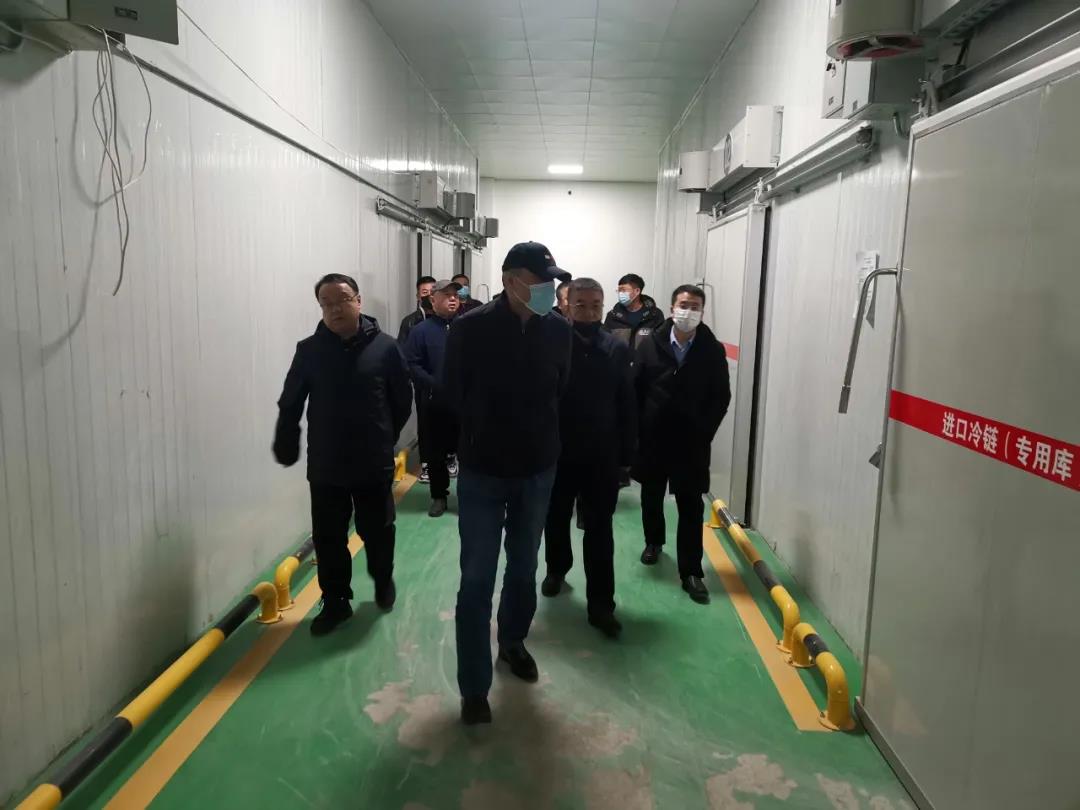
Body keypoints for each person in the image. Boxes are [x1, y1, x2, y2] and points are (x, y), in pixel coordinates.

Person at [444, 241, 572, 725]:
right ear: (510, 280)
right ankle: (474, 686)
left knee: (523, 567)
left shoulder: (557, 330)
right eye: (540, 282)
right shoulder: (470, 328)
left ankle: (513, 642)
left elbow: (560, 389)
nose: (548, 291)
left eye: (551, 283)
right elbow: (452, 392)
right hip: (483, 471)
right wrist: (487, 430)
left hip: (537, 469)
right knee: (477, 576)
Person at [274, 274, 413, 635]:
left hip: (372, 459)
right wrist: (286, 437)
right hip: (327, 461)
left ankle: (382, 577)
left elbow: (402, 398)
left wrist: (385, 436)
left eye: (342, 300)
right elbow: (291, 399)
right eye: (327, 303)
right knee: (328, 535)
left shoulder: (386, 348)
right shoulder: (310, 350)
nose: (335, 309)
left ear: (358, 301)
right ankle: (336, 601)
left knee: (377, 529)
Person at [542, 278, 635, 638]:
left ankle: (601, 605)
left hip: (601, 456)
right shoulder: (552, 344)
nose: (589, 311)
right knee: (555, 517)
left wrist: (625, 457)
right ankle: (556, 569)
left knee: (599, 530)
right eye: (580, 304)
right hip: (557, 452)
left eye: (596, 304)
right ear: (566, 305)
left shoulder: (616, 348)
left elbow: (626, 403)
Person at [633, 285, 730, 605]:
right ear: (673, 307)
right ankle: (653, 542)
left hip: (692, 442)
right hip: (654, 438)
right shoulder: (651, 345)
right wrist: (639, 428)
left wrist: (704, 431)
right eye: (684, 304)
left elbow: (721, 396)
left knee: (691, 505)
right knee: (651, 494)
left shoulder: (711, 349)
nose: (688, 311)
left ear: (702, 311)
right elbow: (636, 389)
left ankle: (691, 571)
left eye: (695, 306)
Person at [405, 280, 461, 518]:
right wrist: (434, 384)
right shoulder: (420, 331)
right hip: (433, 403)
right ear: (433, 300)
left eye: (455, 295)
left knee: (467, 451)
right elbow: (412, 364)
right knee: (436, 453)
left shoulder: (467, 328)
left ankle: (467, 496)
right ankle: (439, 496)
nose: (452, 298)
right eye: (446, 295)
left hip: (464, 403)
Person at [399, 276, 437, 483]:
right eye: (424, 292)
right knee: (425, 423)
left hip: (445, 383)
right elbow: (404, 354)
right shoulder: (410, 322)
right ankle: (426, 464)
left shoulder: (447, 320)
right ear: (417, 296)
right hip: (423, 384)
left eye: (432, 291)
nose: (429, 295)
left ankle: (449, 458)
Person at [603, 273, 665, 350]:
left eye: (623, 290)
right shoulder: (612, 316)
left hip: (646, 358)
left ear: (637, 291)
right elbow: (605, 345)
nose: (620, 293)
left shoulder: (655, 315)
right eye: (619, 290)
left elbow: (661, 344)